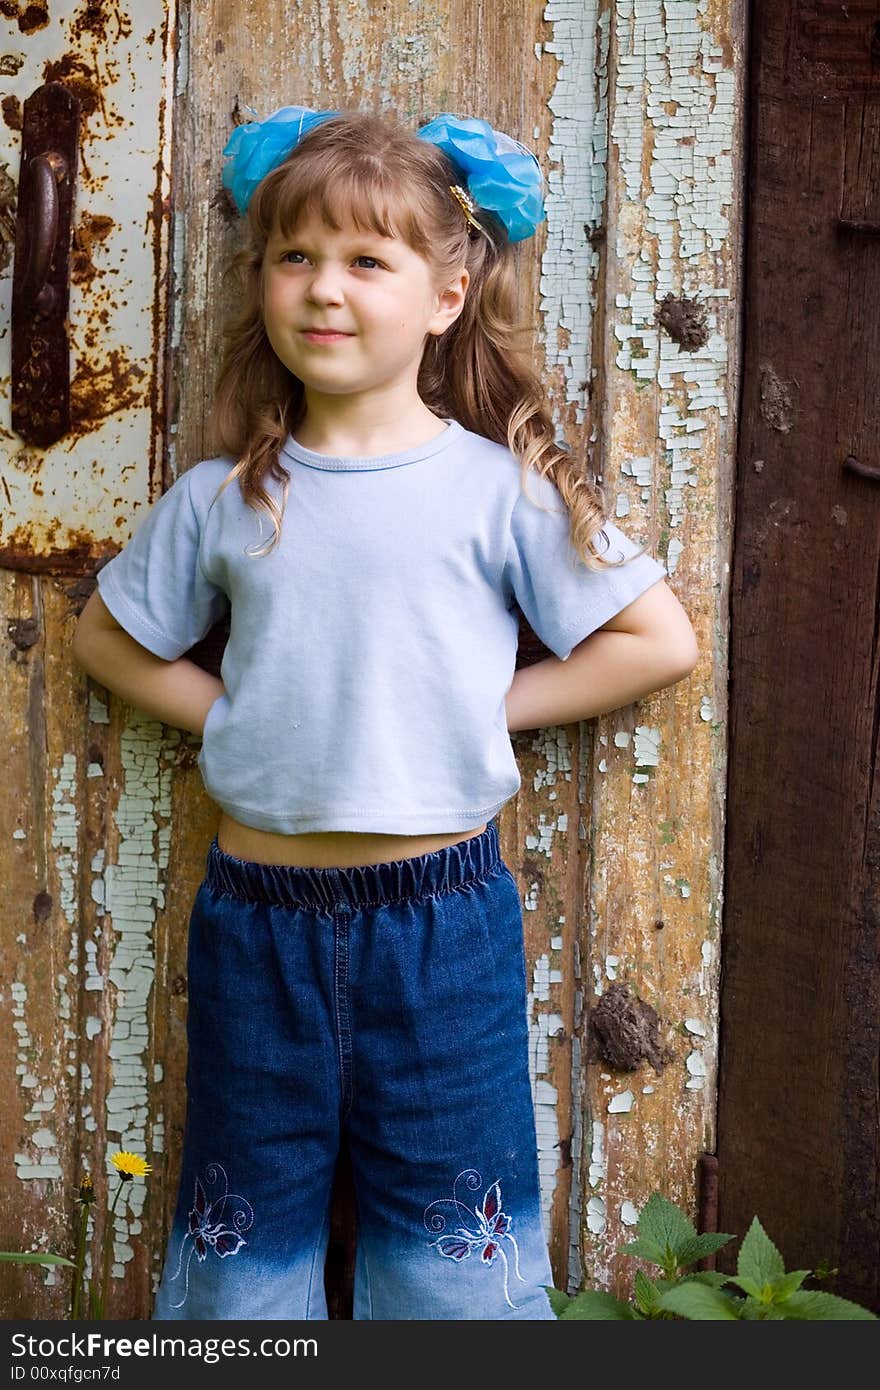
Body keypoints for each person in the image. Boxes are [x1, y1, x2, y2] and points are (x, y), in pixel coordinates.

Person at [72, 105, 698, 1321]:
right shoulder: (221, 498)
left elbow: (656, 640)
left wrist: (476, 711)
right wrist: (237, 715)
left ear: (447, 295)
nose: (323, 290)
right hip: (257, 926)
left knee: (453, 1271)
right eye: (294, 258)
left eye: (367, 262)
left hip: (440, 926)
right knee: (240, 1266)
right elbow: (107, 639)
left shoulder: (493, 489)